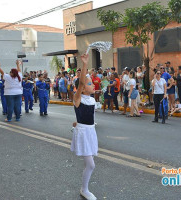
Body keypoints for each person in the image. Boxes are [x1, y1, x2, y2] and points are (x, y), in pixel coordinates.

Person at [70, 53, 98, 200]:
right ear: (82, 88)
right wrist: (85, 64)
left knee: (90, 164)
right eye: (89, 83)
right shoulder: (77, 98)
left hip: (90, 132)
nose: (92, 84)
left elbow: (87, 116)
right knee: (91, 165)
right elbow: (81, 83)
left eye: (92, 82)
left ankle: (84, 188)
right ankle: (84, 189)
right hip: (83, 133)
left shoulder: (91, 100)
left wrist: (77, 122)